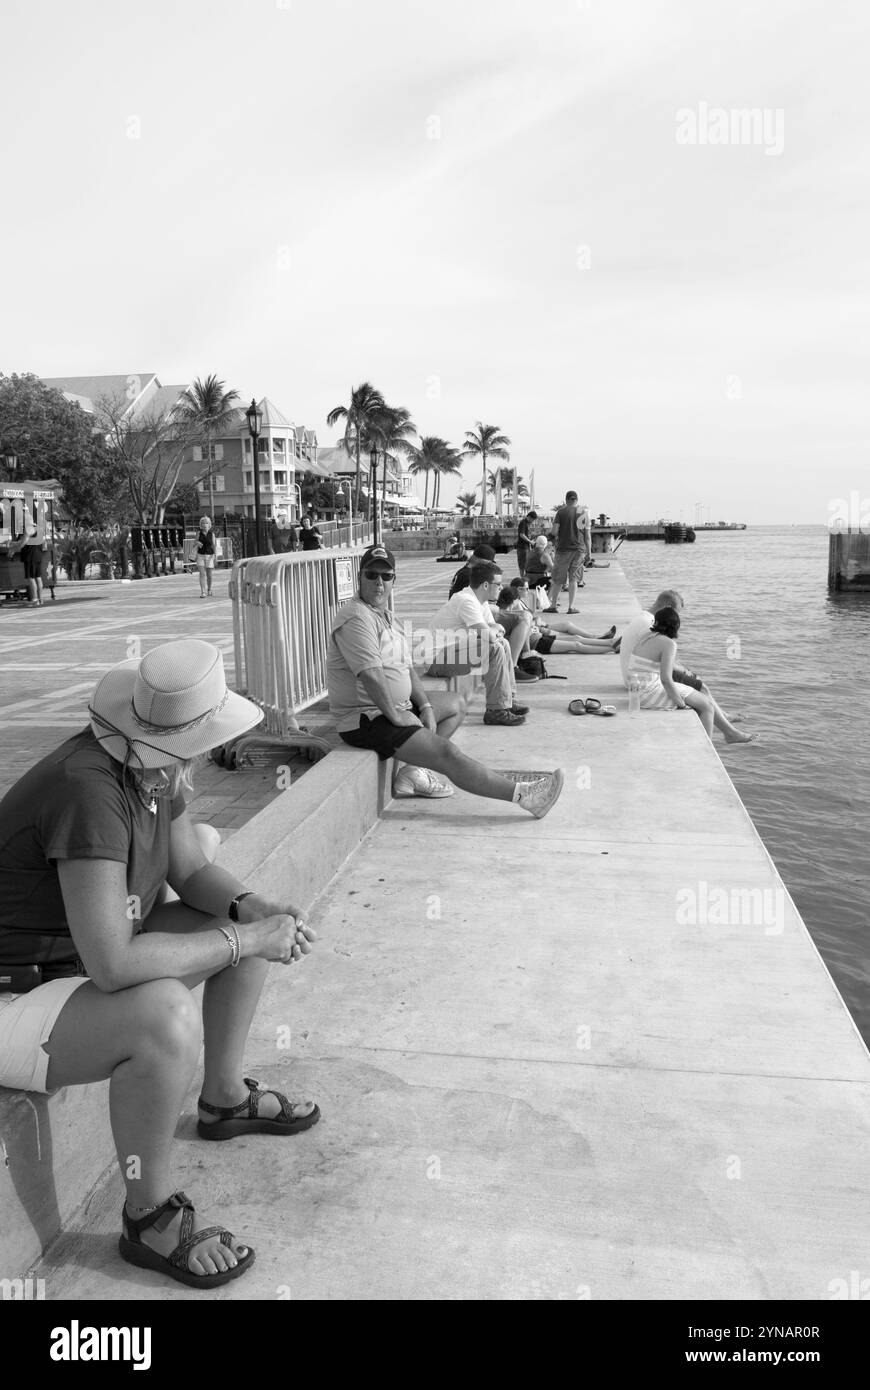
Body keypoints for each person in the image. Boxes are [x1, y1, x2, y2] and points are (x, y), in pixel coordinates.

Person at [0, 640, 319, 1289]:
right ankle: (147, 1219)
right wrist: (247, 942)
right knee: (165, 1019)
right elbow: (114, 963)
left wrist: (255, 910)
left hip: (68, 970)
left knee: (239, 920)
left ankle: (225, 1100)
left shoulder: (149, 765)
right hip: (15, 997)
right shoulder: (89, 789)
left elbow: (192, 869)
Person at [327, 544, 563, 813]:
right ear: (359, 577)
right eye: (371, 575)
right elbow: (370, 674)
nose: (379, 582)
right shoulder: (356, 618)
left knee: (455, 704)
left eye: (386, 576)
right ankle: (526, 797)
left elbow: (404, 669)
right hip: (367, 718)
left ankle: (411, 772)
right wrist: (394, 714)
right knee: (447, 754)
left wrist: (425, 706)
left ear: (394, 580)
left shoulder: (386, 616)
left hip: (392, 708)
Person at [626, 607, 754, 743]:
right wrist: (680, 703)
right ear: (675, 626)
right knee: (707, 706)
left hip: (636, 692)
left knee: (699, 700)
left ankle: (726, 732)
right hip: (648, 694)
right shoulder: (669, 644)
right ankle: (707, 748)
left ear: (656, 622)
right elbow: (666, 679)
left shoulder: (646, 636)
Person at [429, 560, 533, 724]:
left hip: (454, 653)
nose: (501, 588)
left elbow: (496, 629)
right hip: (438, 660)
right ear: (485, 585)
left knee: (503, 644)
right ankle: (496, 710)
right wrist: (493, 631)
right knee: (494, 648)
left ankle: (508, 700)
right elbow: (490, 635)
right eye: (498, 584)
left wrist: (493, 631)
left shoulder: (481, 602)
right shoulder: (466, 601)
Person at [496, 587, 617, 656]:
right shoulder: (507, 616)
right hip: (538, 644)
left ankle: (610, 642)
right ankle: (612, 648)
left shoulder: (510, 614)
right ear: (514, 601)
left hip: (538, 637)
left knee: (576, 638)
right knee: (576, 645)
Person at [508, 577, 617, 642]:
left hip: (541, 625)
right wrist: (536, 620)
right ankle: (597, 639)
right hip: (538, 629)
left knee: (567, 624)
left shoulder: (520, 600)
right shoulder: (516, 604)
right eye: (526, 589)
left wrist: (536, 618)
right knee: (571, 637)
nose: (528, 591)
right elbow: (523, 622)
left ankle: (596, 637)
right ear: (518, 589)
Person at [544, 491, 591, 614]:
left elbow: (554, 531)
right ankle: (571, 607)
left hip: (563, 550)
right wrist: (589, 553)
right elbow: (587, 537)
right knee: (573, 579)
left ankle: (553, 606)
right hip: (579, 550)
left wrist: (552, 537)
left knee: (558, 578)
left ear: (566, 500)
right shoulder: (583, 513)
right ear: (576, 500)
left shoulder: (561, 512)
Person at [195, 516, 216, 597]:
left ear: (209, 524)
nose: (204, 525)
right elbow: (195, 542)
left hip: (210, 556)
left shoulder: (212, 534)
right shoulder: (198, 533)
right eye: (203, 523)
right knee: (202, 573)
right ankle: (203, 592)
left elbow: (214, 546)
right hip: (200, 555)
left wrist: (215, 556)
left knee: (209, 575)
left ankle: (209, 589)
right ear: (201, 524)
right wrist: (197, 543)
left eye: (206, 523)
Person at [515, 510, 538, 577]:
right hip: (522, 547)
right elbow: (521, 535)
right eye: (532, 519)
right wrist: (530, 541)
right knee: (522, 564)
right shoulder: (523, 523)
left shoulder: (527, 523)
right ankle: (522, 578)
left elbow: (526, 534)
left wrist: (531, 539)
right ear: (529, 517)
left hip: (526, 547)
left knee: (527, 563)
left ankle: (525, 577)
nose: (532, 521)